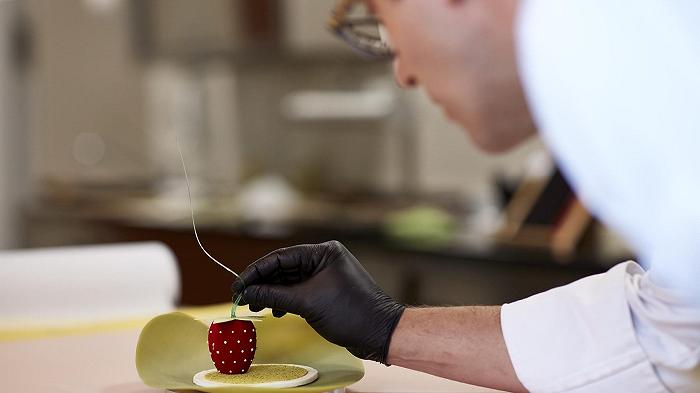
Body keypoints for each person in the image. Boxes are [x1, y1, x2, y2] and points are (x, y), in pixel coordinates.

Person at [232, 1, 700, 392]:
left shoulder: (617, 45)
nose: (402, 74)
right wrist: (386, 326)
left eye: (381, 18)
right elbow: (670, 331)